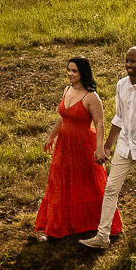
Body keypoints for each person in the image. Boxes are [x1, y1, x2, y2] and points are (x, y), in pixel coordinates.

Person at [81, 46, 136, 248]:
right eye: (127, 61)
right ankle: (102, 237)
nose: (129, 65)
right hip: (124, 146)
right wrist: (107, 146)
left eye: (133, 62)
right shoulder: (121, 85)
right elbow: (118, 119)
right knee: (111, 189)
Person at [34, 57, 122, 241]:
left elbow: (99, 123)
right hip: (64, 145)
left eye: (74, 71)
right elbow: (63, 117)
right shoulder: (67, 90)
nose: (70, 74)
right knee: (60, 181)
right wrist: (52, 135)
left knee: (88, 181)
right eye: (68, 70)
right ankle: (59, 225)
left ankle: (97, 223)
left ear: (83, 73)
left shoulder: (91, 97)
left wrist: (100, 149)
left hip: (83, 145)